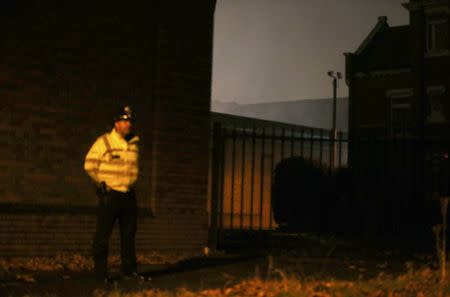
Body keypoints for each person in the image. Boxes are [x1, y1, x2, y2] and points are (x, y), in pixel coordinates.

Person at [84, 105, 143, 282]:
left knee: (129, 235)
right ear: (116, 123)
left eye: (130, 121)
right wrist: (101, 184)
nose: (128, 125)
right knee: (103, 235)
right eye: (124, 121)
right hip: (110, 195)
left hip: (128, 195)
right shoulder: (104, 142)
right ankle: (101, 274)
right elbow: (89, 165)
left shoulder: (134, 144)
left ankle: (129, 272)